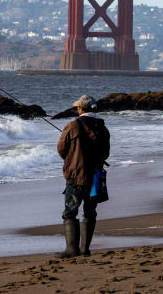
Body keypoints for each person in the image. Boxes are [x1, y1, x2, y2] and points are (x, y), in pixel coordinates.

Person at [56, 94, 110, 257]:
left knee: (70, 211)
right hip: (95, 176)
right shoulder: (102, 127)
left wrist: (73, 157)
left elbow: (61, 149)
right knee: (90, 211)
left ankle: (72, 249)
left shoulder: (73, 126)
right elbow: (106, 153)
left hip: (75, 175)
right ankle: (85, 249)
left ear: (80, 109)